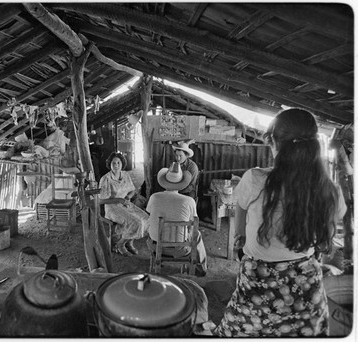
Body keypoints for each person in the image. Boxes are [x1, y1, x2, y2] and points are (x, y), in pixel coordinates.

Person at [214, 108, 347, 337]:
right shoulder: (329, 189)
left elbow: (241, 219)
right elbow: (328, 228)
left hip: (257, 280)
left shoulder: (255, 179)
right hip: (307, 282)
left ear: (274, 142)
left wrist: (241, 243)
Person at [146, 162, 208, 276]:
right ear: (181, 183)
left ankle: (159, 261)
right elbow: (194, 223)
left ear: (164, 181)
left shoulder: (154, 197)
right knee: (197, 234)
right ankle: (201, 267)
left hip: (155, 246)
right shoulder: (189, 201)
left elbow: (149, 213)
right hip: (179, 250)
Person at [99, 152, 149, 256]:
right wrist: (118, 200)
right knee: (136, 222)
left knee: (146, 218)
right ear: (110, 164)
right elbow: (101, 201)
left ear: (122, 164)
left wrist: (127, 197)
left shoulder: (125, 175)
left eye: (118, 163)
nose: (116, 165)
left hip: (125, 203)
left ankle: (129, 242)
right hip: (112, 208)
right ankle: (120, 245)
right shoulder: (106, 179)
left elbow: (132, 191)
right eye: (114, 163)